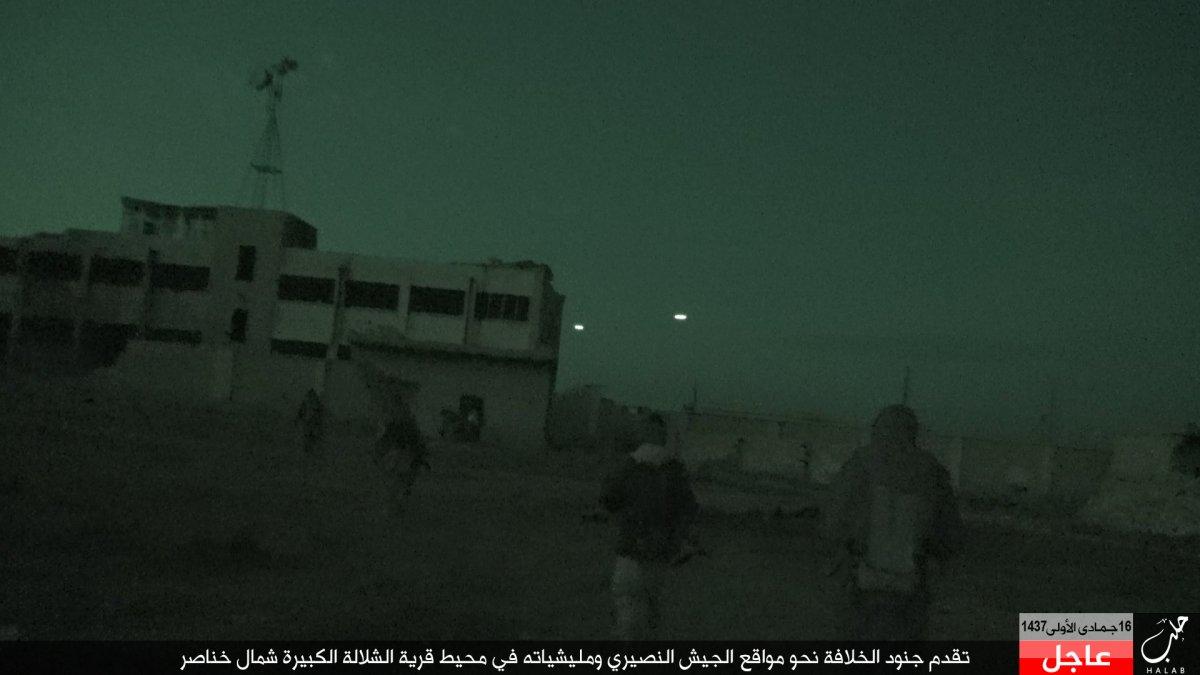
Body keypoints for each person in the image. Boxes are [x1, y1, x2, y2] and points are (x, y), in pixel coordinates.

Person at [822, 404, 962, 641]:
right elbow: (950, 535)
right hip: (911, 587)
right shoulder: (932, 471)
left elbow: (833, 523)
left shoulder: (859, 465)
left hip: (861, 583)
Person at [601, 413, 699, 640]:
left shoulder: (629, 466)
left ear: (643, 434)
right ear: (663, 437)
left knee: (626, 600)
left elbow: (609, 499)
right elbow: (689, 507)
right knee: (650, 601)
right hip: (660, 551)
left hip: (631, 548)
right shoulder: (674, 470)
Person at [373, 402, 431, 515]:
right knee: (398, 483)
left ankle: (397, 505)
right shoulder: (397, 426)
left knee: (401, 483)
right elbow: (385, 441)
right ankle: (395, 505)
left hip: (405, 457)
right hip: (402, 457)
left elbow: (417, 442)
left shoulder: (404, 426)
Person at [296, 389, 324, 455]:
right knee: (309, 436)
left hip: (311, 423)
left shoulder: (315, 406)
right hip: (309, 423)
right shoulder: (310, 405)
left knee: (311, 436)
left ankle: (309, 449)